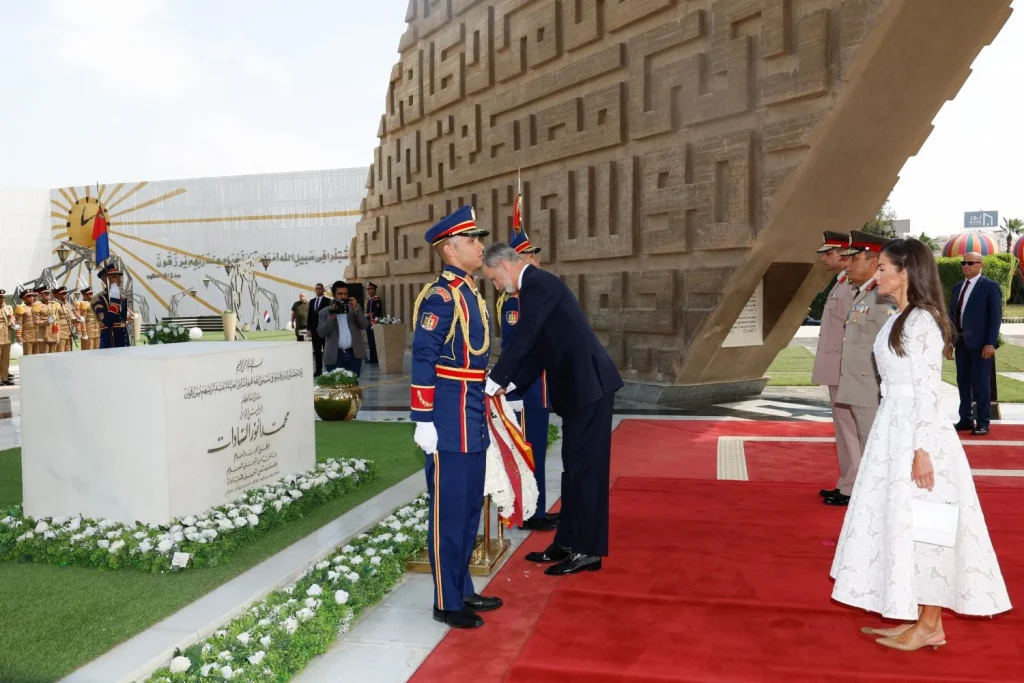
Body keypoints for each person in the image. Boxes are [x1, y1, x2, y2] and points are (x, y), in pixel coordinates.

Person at [831, 237, 1011, 651]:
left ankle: (931, 624)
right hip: (894, 429)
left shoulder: (922, 322)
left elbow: (929, 390)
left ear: (905, 272)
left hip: (916, 433)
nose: (875, 275)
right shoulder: (902, 316)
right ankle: (916, 615)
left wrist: (922, 449)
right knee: (903, 522)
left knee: (928, 524)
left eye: (881, 268)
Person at [483, 242, 623, 576]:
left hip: (590, 388)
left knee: (587, 472)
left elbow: (524, 338)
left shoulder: (538, 284)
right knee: (573, 470)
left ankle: (587, 550)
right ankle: (567, 542)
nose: (496, 286)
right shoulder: (535, 288)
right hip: (579, 391)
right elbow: (541, 350)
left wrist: (494, 380)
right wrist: (511, 386)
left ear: (503, 265)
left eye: (493, 278)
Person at [410, 205, 502, 629]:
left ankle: (462, 587)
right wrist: (423, 417)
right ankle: (445, 602)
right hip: (447, 417)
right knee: (448, 511)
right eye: (472, 240)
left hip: (471, 413)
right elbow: (424, 358)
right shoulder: (441, 296)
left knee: (467, 508)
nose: (480, 246)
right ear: (450, 249)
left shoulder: (471, 292)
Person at [828, 230, 897, 506]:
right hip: (858, 386)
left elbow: (890, 346)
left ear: (871, 262)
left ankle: (877, 504)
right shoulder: (866, 294)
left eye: (853, 259)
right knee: (866, 446)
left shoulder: (882, 299)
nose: (848, 264)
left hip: (870, 388)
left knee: (874, 448)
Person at [499, 226, 558, 532]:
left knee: (536, 449)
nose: (538, 262)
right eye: (532, 257)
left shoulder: (532, 295)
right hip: (525, 390)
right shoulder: (514, 303)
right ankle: (529, 514)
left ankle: (537, 509)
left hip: (539, 389)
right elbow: (513, 347)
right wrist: (515, 387)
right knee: (528, 452)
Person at [812, 232, 859, 503]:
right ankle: (845, 482)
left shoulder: (853, 286)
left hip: (847, 367)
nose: (824, 259)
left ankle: (853, 486)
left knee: (851, 428)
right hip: (837, 366)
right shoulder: (842, 282)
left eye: (828, 253)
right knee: (842, 428)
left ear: (843, 254)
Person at [947, 252, 1002, 436]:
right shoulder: (957, 287)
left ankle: (983, 422)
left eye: (970, 263)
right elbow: (951, 316)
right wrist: (949, 342)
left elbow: (995, 318)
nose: (966, 266)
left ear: (981, 265)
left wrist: (990, 343)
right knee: (962, 382)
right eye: (963, 263)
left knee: (981, 384)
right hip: (961, 343)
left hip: (980, 345)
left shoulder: (989, 287)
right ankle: (965, 419)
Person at [317, 281, 369, 376]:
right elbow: (321, 333)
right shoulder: (324, 312)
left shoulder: (355, 307)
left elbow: (364, 325)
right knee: (336, 388)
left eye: (345, 294)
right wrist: (332, 315)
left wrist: (356, 311)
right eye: (340, 294)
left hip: (354, 355)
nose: (343, 297)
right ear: (333, 294)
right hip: (334, 356)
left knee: (353, 387)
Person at [91, 264, 131, 348]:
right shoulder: (98, 299)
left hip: (123, 340)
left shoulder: (122, 297)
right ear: (105, 279)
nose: (118, 279)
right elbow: (107, 321)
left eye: (118, 276)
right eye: (114, 276)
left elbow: (122, 320)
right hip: (110, 341)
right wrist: (114, 301)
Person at [307, 283, 329, 376]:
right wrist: (308, 328)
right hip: (314, 330)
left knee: (326, 350)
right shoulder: (312, 301)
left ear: (323, 290)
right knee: (316, 351)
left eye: (320, 289)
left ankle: (328, 369)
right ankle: (318, 370)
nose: (318, 290)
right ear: (314, 290)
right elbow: (310, 316)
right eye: (317, 289)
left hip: (324, 330)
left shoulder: (328, 301)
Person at [15, 289, 39, 357]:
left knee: (37, 357)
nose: (31, 298)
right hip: (27, 336)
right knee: (28, 356)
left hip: (37, 335)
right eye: (28, 296)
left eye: (32, 296)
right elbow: (18, 324)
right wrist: (19, 337)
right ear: (24, 298)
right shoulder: (21, 308)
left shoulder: (37, 306)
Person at [365, 282, 383, 364]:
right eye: (368, 289)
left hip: (373, 322)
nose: (369, 291)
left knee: (373, 341)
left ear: (374, 290)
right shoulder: (368, 299)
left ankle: (375, 358)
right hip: (368, 322)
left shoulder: (376, 299)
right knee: (370, 341)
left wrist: (374, 323)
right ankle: (372, 358)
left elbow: (377, 312)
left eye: (371, 289)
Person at [53, 287, 76, 352]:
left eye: (66, 294)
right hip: (60, 333)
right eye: (63, 294)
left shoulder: (67, 304)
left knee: (69, 353)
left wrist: (76, 320)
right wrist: (56, 334)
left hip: (69, 332)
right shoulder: (55, 304)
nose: (65, 295)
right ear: (57, 295)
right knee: (60, 352)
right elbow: (55, 321)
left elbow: (71, 316)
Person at [0, 290, 13, 385]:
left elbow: (10, 319)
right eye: (0, 297)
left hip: (6, 337)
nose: (1, 299)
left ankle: (4, 378)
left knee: (5, 359)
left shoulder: (6, 308)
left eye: (2, 297)